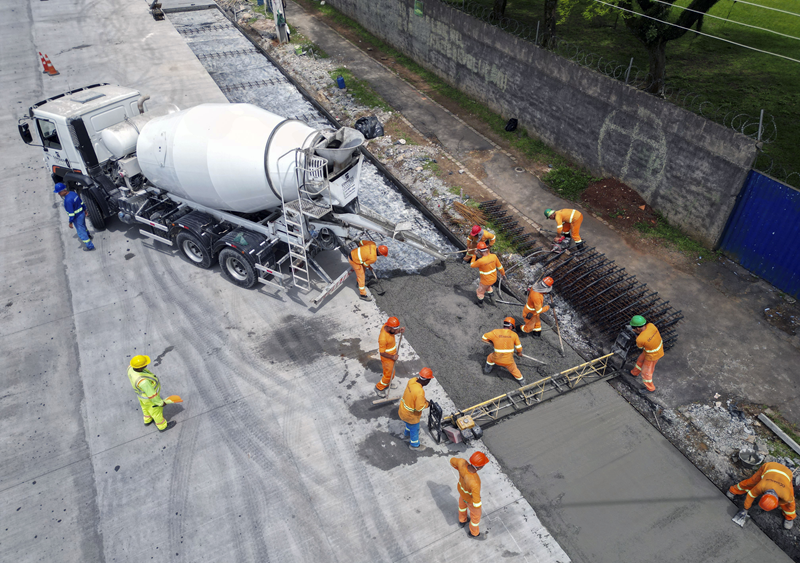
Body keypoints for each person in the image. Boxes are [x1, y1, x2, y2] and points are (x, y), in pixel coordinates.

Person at [727, 461, 796, 530]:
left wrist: (778, 503)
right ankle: (733, 490)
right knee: (751, 482)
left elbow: (788, 503)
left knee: (788, 505)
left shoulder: (786, 496)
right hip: (770, 466)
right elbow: (750, 496)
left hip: (787, 473)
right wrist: (745, 509)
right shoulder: (761, 486)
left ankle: (789, 517)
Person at [127, 355, 177, 432]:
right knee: (156, 412)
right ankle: (162, 426)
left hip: (141, 397)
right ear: (140, 367)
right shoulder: (143, 382)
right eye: (145, 364)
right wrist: (160, 403)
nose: (146, 364)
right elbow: (152, 394)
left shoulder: (130, 368)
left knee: (145, 408)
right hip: (149, 399)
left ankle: (147, 420)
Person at [450, 451, 490, 539]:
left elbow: (452, 461)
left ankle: (462, 521)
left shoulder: (461, 462)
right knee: (475, 518)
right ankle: (474, 533)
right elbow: (476, 502)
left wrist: (460, 469)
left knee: (462, 507)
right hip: (470, 499)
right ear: (479, 467)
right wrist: (478, 506)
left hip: (462, 493)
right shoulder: (474, 482)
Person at [398, 368, 434, 451]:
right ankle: (414, 445)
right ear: (427, 381)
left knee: (408, 425)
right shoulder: (419, 392)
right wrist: (427, 404)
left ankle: (407, 433)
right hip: (410, 416)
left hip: (402, 410)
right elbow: (419, 408)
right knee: (415, 429)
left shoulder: (412, 381)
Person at [481, 317, 524, 384]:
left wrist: (492, 342)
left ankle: (487, 370)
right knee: (514, 369)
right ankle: (522, 381)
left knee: (490, 357)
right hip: (508, 361)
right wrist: (519, 353)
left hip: (496, 359)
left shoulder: (495, 332)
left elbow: (484, 338)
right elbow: (519, 348)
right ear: (511, 326)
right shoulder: (514, 335)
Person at [55, 183, 95, 251]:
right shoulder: (73, 193)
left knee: (81, 232)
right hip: (82, 214)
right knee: (83, 226)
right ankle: (88, 235)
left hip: (77, 217)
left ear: (64, 191)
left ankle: (90, 246)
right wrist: (85, 210)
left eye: (59, 192)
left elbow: (71, 214)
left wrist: (70, 222)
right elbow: (81, 202)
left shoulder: (67, 201)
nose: (58, 194)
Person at [629, 315, 663, 393]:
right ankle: (634, 373)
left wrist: (636, 336)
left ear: (637, 328)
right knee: (640, 360)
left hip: (653, 356)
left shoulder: (640, 339)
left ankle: (651, 389)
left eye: (633, 328)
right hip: (653, 349)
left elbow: (640, 347)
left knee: (646, 373)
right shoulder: (651, 325)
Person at [376, 316, 405, 398]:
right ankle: (379, 387)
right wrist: (392, 357)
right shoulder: (383, 338)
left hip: (391, 357)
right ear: (389, 327)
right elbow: (382, 352)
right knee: (390, 375)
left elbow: (393, 332)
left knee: (389, 373)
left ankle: (387, 383)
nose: (396, 331)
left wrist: (399, 331)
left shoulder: (387, 327)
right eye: (395, 329)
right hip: (387, 359)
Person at [470, 241, 505, 307]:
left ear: (479, 252)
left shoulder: (480, 261)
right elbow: (500, 266)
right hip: (493, 279)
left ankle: (480, 304)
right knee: (488, 287)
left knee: (480, 291)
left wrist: (474, 255)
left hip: (485, 281)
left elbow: (472, 265)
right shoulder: (494, 256)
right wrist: (503, 274)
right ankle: (493, 300)